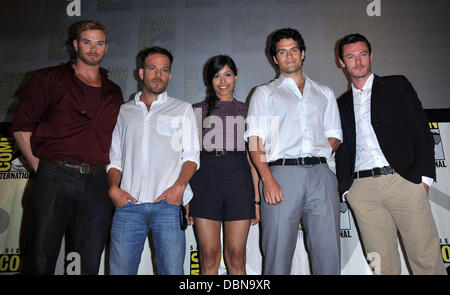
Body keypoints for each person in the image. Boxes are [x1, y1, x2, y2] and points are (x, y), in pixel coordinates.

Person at [10, 20, 123, 274]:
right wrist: (42, 167)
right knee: (40, 261)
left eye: (99, 43)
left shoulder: (114, 92)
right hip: (54, 177)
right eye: (87, 42)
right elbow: (21, 125)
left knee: (86, 266)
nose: (93, 48)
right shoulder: (48, 78)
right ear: (75, 45)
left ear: (106, 47)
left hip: (96, 183)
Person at [335, 33, 447, 275]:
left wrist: (424, 179)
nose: (358, 61)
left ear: (371, 56)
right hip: (362, 190)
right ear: (342, 62)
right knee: (382, 267)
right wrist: (346, 190)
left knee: (426, 260)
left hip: (403, 181)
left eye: (363, 54)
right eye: (351, 57)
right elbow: (342, 151)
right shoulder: (340, 104)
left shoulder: (396, 85)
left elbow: (421, 130)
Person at [245, 28, 342, 275]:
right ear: (275, 59)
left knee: (328, 253)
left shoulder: (324, 92)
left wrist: (313, 154)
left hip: (322, 174)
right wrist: (267, 179)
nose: (289, 56)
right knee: (277, 254)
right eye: (282, 52)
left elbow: (334, 135)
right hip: (281, 176)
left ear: (303, 54)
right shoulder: (264, 93)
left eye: (294, 50)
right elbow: (255, 139)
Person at [107, 46, 200, 275]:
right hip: (128, 207)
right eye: (152, 68)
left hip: (167, 207)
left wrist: (179, 188)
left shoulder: (183, 109)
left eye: (164, 70)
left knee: (172, 272)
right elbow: (115, 158)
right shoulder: (123, 111)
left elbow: (191, 156)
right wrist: (113, 188)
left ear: (170, 75)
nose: (158, 74)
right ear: (141, 73)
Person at [189, 55, 260, 275]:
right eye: (217, 76)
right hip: (205, 181)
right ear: (209, 80)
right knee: (209, 255)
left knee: (236, 256)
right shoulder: (194, 111)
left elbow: (254, 157)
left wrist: (256, 200)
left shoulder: (249, 110)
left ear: (236, 77)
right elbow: (186, 157)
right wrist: (186, 197)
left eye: (228, 74)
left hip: (239, 180)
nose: (223, 81)